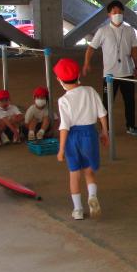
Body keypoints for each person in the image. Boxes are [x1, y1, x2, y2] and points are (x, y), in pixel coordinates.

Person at [53, 58, 109, 221]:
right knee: (89, 171)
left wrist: (61, 149)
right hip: (90, 134)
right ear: (78, 75)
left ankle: (77, 209)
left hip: (72, 137)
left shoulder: (63, 100)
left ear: (59, 80)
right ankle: (92, 196)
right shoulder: (90, 91)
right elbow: (102, 114)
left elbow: (64, 126)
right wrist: (104, 132)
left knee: (74, 174)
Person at [84, 0, 137, 136]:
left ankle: (131, 126)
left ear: (123, 13)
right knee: (107, 104)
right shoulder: (102, 31)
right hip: (109, 75)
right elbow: (91, 48)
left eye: (120, 12)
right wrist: (86, 63)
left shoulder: (130, 30)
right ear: (109, 14)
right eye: (114, 12)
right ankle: (106, 129)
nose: (117, 14)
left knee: (130, 102)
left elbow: (134, 49)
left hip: (127, 72)